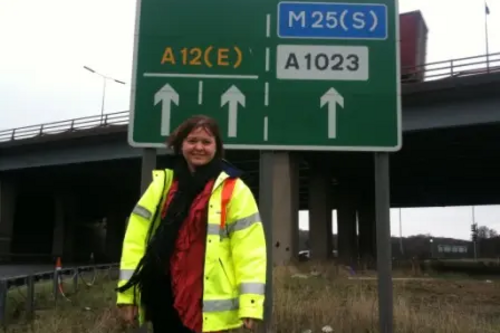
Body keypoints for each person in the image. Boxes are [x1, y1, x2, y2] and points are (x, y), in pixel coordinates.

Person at [116, 115, 267, 333]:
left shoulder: (234, 190)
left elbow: (250, 251)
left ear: (217, 147)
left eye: (206, 142)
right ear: (181, 145)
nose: (199, 147)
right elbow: (135, 243)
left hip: (206, 303)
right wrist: (127, 295)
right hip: (163, 298)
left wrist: (251, 305)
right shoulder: (163, 186)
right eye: (192, 141)